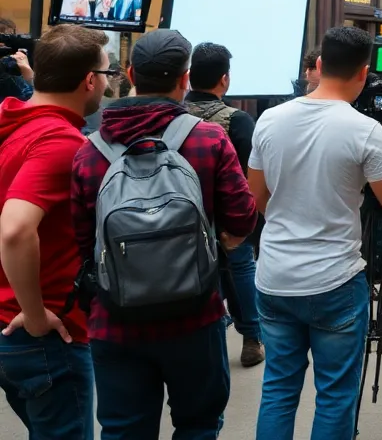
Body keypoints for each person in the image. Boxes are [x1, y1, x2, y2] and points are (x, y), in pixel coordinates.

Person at [71, 28, 258, 438]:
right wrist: (221, 241)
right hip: (196, 312)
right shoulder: (208, 138)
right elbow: (243, 218)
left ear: (133, 73)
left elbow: (83, 240)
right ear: (184, 80)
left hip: (114, 318)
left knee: (123, 428)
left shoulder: (89, 149)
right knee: (198, 424)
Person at [248, 27, 382, 439]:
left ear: (319, 66)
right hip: (335, 280)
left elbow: (257, 198)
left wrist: (292, 217)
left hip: (275, 277)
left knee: (279, 389)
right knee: (336, 393)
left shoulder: (269, 119)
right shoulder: (364, 129)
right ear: (364, 72)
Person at [0, 25, 110, 439]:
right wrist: (33, 314)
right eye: (106, 72)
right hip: (41, 334)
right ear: (89, 81)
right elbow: (14, 229)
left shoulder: (12, 122)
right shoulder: (60, 141)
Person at [183, 42, 263, 367]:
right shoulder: (238, 120)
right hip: (228, 219)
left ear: (189, 77)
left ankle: (203, 336)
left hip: (183, 218)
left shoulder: (173, 114)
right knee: (242, 270)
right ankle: (252, 338)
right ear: (224, 80)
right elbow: (251, 176)